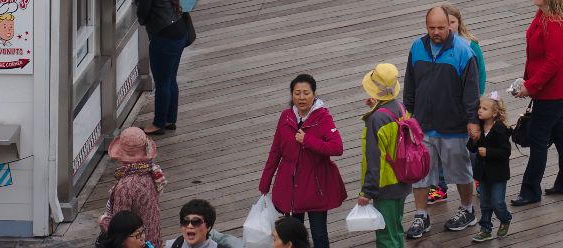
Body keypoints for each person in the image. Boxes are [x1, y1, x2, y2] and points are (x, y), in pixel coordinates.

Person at [404, 7, 482, 238]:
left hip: (454, 126)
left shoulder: (463, 51)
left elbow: (471, 91)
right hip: (422, 124)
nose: (436, 32)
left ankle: (467, 210)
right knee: (420, 173)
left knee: (460, 172)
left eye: (440, 27)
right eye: (431, 28)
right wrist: (408, 114)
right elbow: (410, 82)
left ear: (449, 25)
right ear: (426, 26)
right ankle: (421, 215)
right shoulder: (417, 47)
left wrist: (472, 120)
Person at [510, 0, 563, 205]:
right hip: (553, 88)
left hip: (555, 90)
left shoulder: (554, 23)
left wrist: (531, 87)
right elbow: (537, 56)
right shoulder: (543, 17)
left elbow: (552, 62)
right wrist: (527, 81)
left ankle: (530, 190)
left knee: (538, 139)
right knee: (561, 134)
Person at [258, 75, 346, 248]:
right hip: (291, 188)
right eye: (297, 93)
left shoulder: (323, 117)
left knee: (319, 234)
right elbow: (275, 151)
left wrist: (307, 140)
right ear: (292, 95)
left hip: (316, 187)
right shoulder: (285, 117)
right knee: (293, 236)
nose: (302, 97)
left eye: (306, 93)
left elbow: (337, 148)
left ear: (314, 94)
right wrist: (265, 182)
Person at [357, 64, 412, 248]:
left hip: (385, 185)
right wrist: (377, 106)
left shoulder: (376, 120)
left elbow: (374, 159)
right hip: (403, 179)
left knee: (385, 236)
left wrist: (367, 191)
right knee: (396, 229)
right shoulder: (400, 107)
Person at [135, 0, 190, 135]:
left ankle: (158, 123)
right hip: (179, 33)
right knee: (171, 79)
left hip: (164, 37)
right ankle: (169, 120)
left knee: (162, 82)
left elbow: (142, 15)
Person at [100, 128, 166, 247]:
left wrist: (103, 221)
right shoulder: (151, 172)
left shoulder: (125, 187)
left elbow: (120, 228)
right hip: (154, 241)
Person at [468, 93, 513, 243]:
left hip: (498, 173)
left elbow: (505, 152)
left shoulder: (500, 130)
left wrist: (489, 152)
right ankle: (485, 229)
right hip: (483, 173)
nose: (479, 111)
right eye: (479, 108)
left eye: (484, 109)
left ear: (494, 113)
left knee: (497, 202)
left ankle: (505, 218)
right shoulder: (479, 128)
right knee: (485, 203)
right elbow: (472, 149)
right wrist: (474, 140)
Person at [442, 4, 488, 98]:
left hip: (465, 94)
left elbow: (481, 71)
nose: (449, 26)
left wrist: (479, 94)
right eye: (445, 22)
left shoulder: (471, 45)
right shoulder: (432, 44)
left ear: (459, 22)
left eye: (452, 22)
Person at [176, 200, 248, 248]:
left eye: (196, 221)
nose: (189, 225)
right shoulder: (173, 244)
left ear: (209, 227)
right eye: (185, 221)